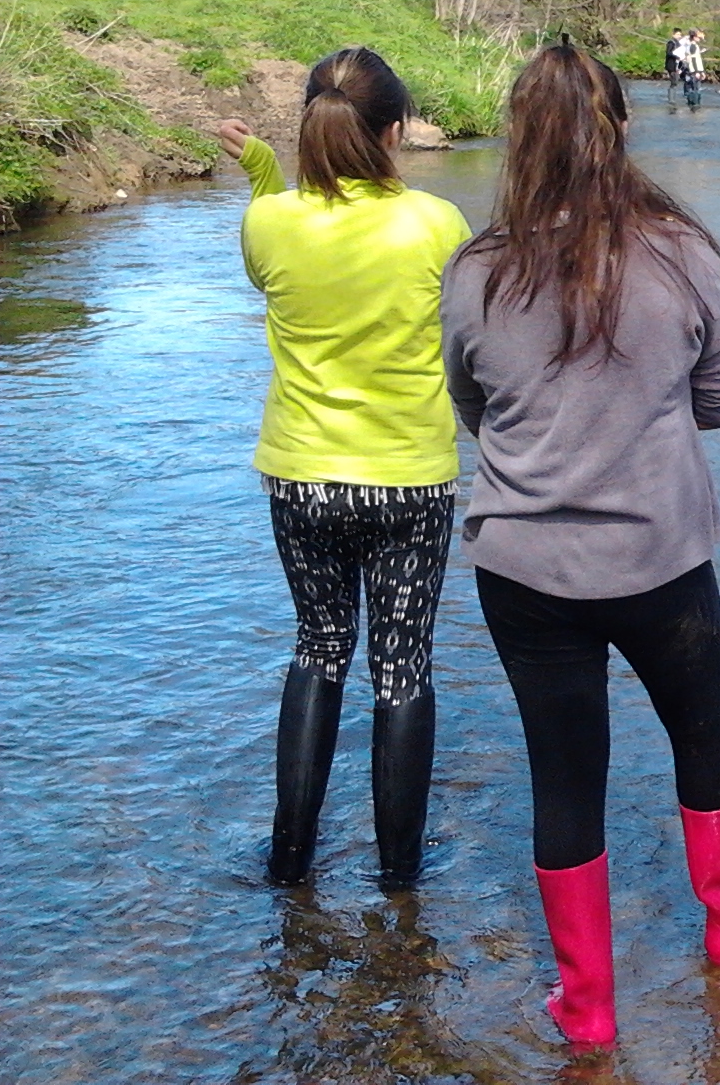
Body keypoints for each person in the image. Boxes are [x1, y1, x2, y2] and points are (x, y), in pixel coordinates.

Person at [441, 41, 720, 1051]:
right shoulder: (679, 250)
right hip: (659, 556)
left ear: (518, 139)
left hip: (523, 569)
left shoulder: (475, 270)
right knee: (706, 738)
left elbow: (472, 404)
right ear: (620, 130)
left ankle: (586, 1009)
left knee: (564, 778)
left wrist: (553, 441)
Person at [216, 48, 471, 890]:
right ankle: (399, 878)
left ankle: (289, 861)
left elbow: (268, 262)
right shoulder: (435, 224)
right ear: (396, 131)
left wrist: (259, 170)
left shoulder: (270, 222)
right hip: (407, 479)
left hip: (300, 476)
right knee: (401, 666)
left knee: (319, 649)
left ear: (308, 130)